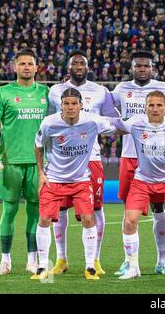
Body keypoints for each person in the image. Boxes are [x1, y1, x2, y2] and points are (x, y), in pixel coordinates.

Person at [32, 87, 117, 280]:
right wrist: (41, 173)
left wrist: (141, 124)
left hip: (80, 180)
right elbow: (37, 146)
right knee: (44, 219)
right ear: (60, 105)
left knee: (88, 218)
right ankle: (42, 267)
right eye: (66, 104)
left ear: (81, 105)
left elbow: (116, 128)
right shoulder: (49, 123)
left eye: (74, 103)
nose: (70, 107)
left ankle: (90, 266)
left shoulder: (92, 120)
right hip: (54, 179)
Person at [48, 49, 120, 276]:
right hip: (62, 161)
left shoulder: (100, 91)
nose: (79, 66)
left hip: (91, 158)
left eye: (82, 63)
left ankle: (95, 260)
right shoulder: (55, 91)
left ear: (88, 67)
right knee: (59, 210)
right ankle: (61, 259)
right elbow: (48, 120)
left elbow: (113, 120)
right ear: (68, 67)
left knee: (96, 209)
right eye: (74, 63)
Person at [110, 91, 165, 280]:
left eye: (159, 105)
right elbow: (108, 124)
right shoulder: (136, 123)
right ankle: (133, 267)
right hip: (143, 181)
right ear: (145, 107)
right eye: (151, 105)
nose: (155, 109)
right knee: (130, 220)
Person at [112, 50, 165, 276]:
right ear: (131, 68)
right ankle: (128, 261)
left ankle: (162, 261)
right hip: (129, 156)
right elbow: (107, 110)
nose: (142, 69)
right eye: (138, 66)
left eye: (146, 66)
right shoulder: (121, 90)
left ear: (152, 68)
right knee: (128, 211)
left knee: (159, 208)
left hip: (156, 158)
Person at [0, 48, 49, 275]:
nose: (26, 67)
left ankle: (32, 260)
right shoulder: (3, 93)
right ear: (15, 67)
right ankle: (5, 260)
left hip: (38, 163)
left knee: (35, 212)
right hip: (10, 162)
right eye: (22, 64)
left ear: (36, 67)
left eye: (30, 63)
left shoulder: (46, 92)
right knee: (8, 211)